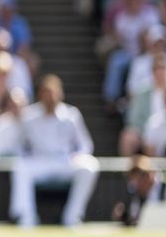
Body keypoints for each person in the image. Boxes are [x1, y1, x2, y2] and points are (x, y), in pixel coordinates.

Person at [10, 75, 99, 228]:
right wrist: (26, 156)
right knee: (20, 167)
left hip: (65, 162)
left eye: (53, 92)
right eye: (46, 92)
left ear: (60, 94)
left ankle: (73, 216)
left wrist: (77, 156)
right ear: (40, 95)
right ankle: (26, 217)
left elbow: (85, 145)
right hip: (39, 162)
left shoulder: (71, 115)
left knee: (90, 166)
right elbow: (19, 145)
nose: (49, 97)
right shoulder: (29, 116)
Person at [112, 155, 166, 226]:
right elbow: (137, 221)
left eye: (138, 182)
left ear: (148, 175)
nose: (136, 187)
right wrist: (124, 218)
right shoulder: (138, 197)